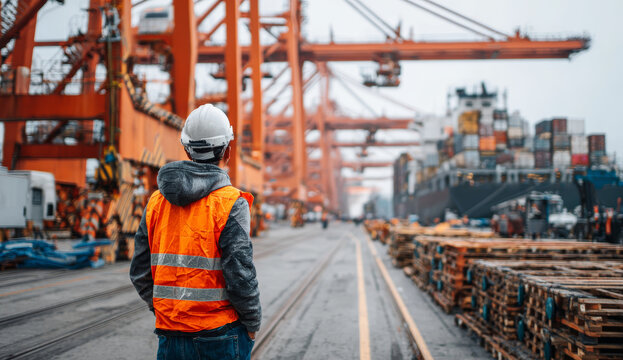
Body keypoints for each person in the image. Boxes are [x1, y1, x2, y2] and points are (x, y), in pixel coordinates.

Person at [130, 104, 261, 360]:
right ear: (228, 151)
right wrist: (252, 323)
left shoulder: (156, 202)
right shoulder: (231, 202)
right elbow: (240, 275)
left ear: (186, 149)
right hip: (221, 334)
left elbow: (139, 272)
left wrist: (166, 311)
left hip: (170, 336)